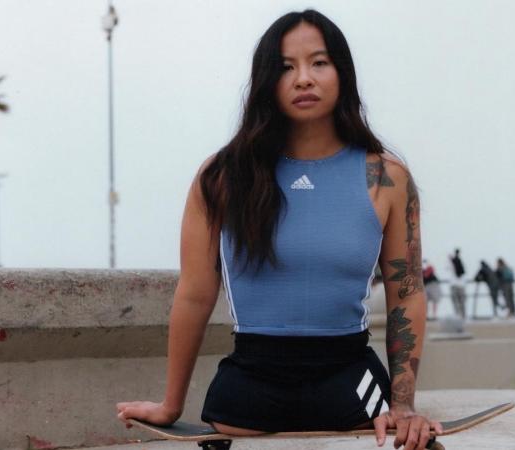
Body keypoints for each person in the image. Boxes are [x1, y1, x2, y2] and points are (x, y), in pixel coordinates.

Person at [115, 10, 440, 450]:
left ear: (342, 72)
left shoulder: (386, 178)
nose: (303, 78)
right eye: (286, 67)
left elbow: (406, 292)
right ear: (267, 80)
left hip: (351, 388)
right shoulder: (222, 178)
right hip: (247, 393)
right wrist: (171, 406)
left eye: (319, 63)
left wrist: (402, 407)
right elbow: (194, 294)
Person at [448, 249, 466, 319]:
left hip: (454, 285)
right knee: (462, 302)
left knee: (456, 302)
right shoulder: (460, 261)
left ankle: (458, 316)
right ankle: (462, 316)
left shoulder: (453, 262)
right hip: (461, 285)